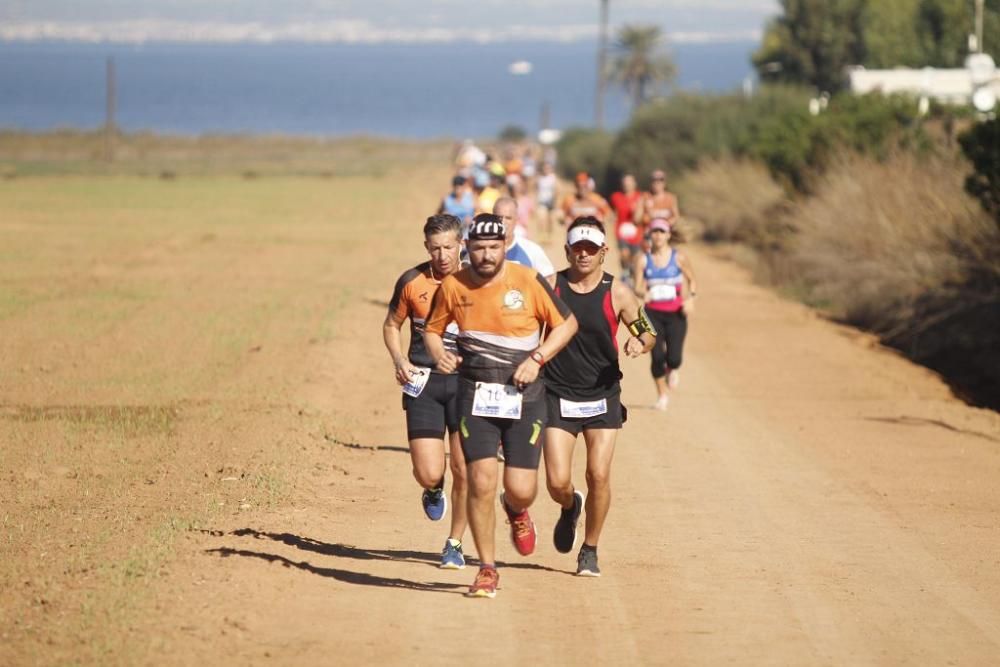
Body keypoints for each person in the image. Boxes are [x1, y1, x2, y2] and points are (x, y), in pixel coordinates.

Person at [424, 214, 578, 599]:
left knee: (521, 489)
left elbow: (566, 324)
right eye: (478, 247)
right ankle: (487, 569)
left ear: (504, 247)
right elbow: (431, 329)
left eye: (494, 247)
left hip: (525, 398)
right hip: (473, 396)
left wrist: (537, 358)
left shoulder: (526, 281)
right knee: (479, 482)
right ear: (467, 248)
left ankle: (516, 510)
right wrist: (438, 354)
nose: (486, 254)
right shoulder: (454, 285)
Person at [542, 216, 656, 576]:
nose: (584, 255)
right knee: (557, 481)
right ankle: (569, 506)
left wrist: (640, 341)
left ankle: (590, 549)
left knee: (599, 474)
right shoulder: (549, 287)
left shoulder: (618, 292)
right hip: (556, 392)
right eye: (578, 248)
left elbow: (648, 330)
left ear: (604, 251)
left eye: (591, 249)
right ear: (567, 251)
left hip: (602, 395)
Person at [382, 214, 469, 569]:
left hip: (467, 384)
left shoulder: (477, 282)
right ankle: (433, 488)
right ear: (426, 248)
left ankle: (454, 543)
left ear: (461, 244)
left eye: (449, 246)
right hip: (423, 383)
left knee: (464, 468)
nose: (443, 255)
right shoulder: (411, 281)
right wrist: (399, 359)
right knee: (429, 471)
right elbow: (391, 325)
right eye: (435, 248)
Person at [632, 219, 698, 411]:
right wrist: (645, 294)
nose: (658, 235)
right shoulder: (643, 259)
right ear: (650, 235)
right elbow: (636, 287)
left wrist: (691, 299)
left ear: (669, 235)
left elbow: (692, 281)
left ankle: (673, 368)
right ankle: (662, 396)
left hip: (676, 314)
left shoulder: (679, 258)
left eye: (662, 232)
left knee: (674, 358)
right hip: (652, 314)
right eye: (654, 232)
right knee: (657, 357)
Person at [493, 197, 555, 278]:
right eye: (499, 218)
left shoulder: (531, 250)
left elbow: (550, 279)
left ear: (516, 219)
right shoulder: (481, 249)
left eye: (508, 218)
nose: (503, 222)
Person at [608, 173, 643, 280]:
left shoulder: (640, 197)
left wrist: (637, 211)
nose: (627, 184)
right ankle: (625, 272)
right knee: (624, 254)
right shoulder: (615, 197)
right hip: (621, 230)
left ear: (634, 184)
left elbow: (639, 218)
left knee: (635, 257)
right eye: (625, 182)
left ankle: (632, 273)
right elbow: (612, 212)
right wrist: (611, 217)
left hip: (636, 232)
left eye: (629, 182)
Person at [636, 169, 680, 233]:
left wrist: (664, 224)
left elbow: (676, 216)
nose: (657, 183)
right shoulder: (644, 197)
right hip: (649, 233)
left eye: (660, 181)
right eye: (654, 181)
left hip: (665, 233)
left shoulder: (671, 198)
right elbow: (637, 219)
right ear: (651, 183)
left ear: (664, 183)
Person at [535, 162, 557, 240]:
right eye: (545, 168)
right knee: (541, 219)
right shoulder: (539, 178)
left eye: (548, 168)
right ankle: (542, 236)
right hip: (542, 201)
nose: (546, 170)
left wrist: (555, 201)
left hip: (551, 202)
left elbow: (556, 190)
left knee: (551, 221)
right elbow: (536, 189)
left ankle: (549, 236)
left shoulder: (553, 178)